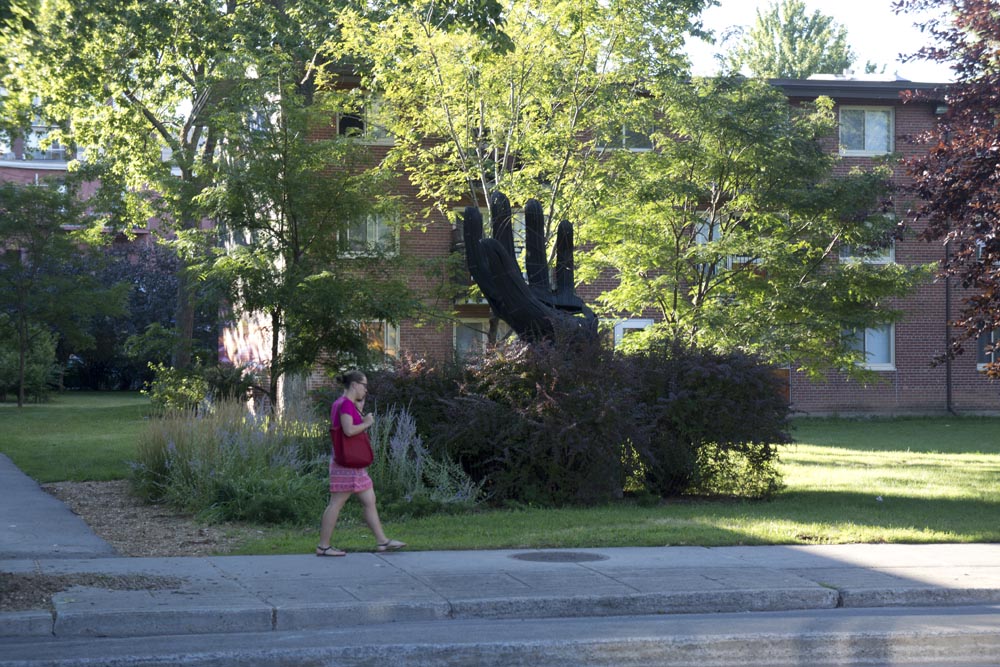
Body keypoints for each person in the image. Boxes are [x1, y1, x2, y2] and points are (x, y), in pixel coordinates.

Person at [316, 370, 406, 557]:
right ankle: (323, 546)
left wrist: (361, 414)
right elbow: (348, 431)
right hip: (348, 466)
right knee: (336, 503)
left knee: (369, 501)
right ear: (355, 385)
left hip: (350, 464)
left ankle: (382, 541)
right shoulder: (346, 405)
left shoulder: (340, 404)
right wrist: (367, 423)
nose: (366, 390)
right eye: (364, 385)